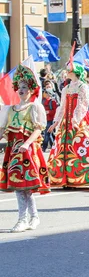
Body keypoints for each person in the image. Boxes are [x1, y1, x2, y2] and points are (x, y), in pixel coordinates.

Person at [0, 64, 50, 232]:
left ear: (31, 90)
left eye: (24, 87)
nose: (21, 90)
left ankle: (25, 219)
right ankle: (32, 217)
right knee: (20, 187)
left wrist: (27, 144)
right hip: (13, 149)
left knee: (25, 187)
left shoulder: (34, 107)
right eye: (19, 87)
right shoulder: (10, 109)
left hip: (27, 150)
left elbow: (38, 129)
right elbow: (2, 129)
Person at [41, 79, 60, 152]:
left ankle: (44, 147)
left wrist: (49, 112)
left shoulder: (52, 101)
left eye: (46, 93)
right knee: (50, 134)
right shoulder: (43, 100)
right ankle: (53, 146)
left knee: (47, 133)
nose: (44, 94)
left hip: (50, 119)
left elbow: (55, 110)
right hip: (45, 118)